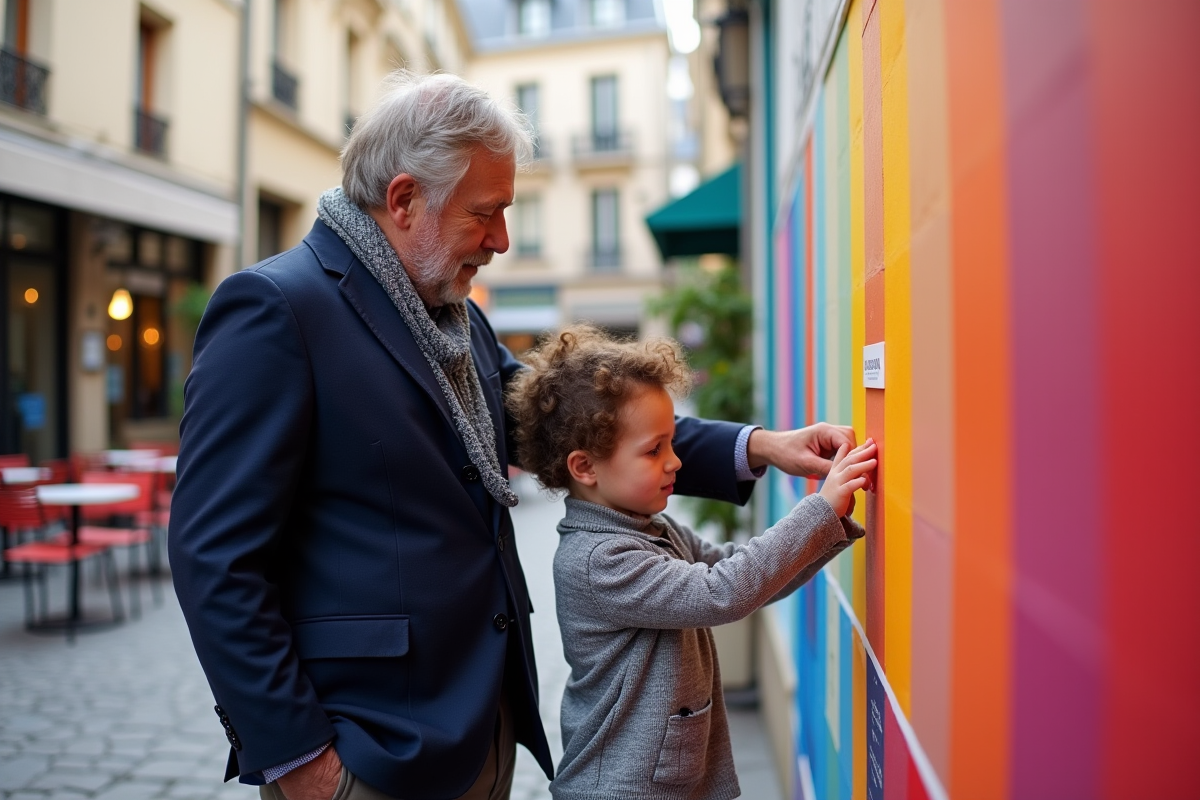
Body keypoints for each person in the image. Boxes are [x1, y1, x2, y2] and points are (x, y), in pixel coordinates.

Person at [169, 70, 858, 800]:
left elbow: (571, 427)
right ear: (403, 200)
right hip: (370, 748)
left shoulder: (452, 313)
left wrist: (759, 447)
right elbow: (212, 553)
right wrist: (301, 759)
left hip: (481, 728)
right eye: (485, 213)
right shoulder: (277, 308)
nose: (500, 239)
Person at [504, 327, 876, 799]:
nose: (675, 462)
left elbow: (739, 570)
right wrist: (820, 511)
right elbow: (722, 592)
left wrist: (831, 524)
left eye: (673, 443)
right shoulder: (599, 559)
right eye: (653, 450)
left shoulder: (645, 526)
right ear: (585, 468)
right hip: (621, 788)